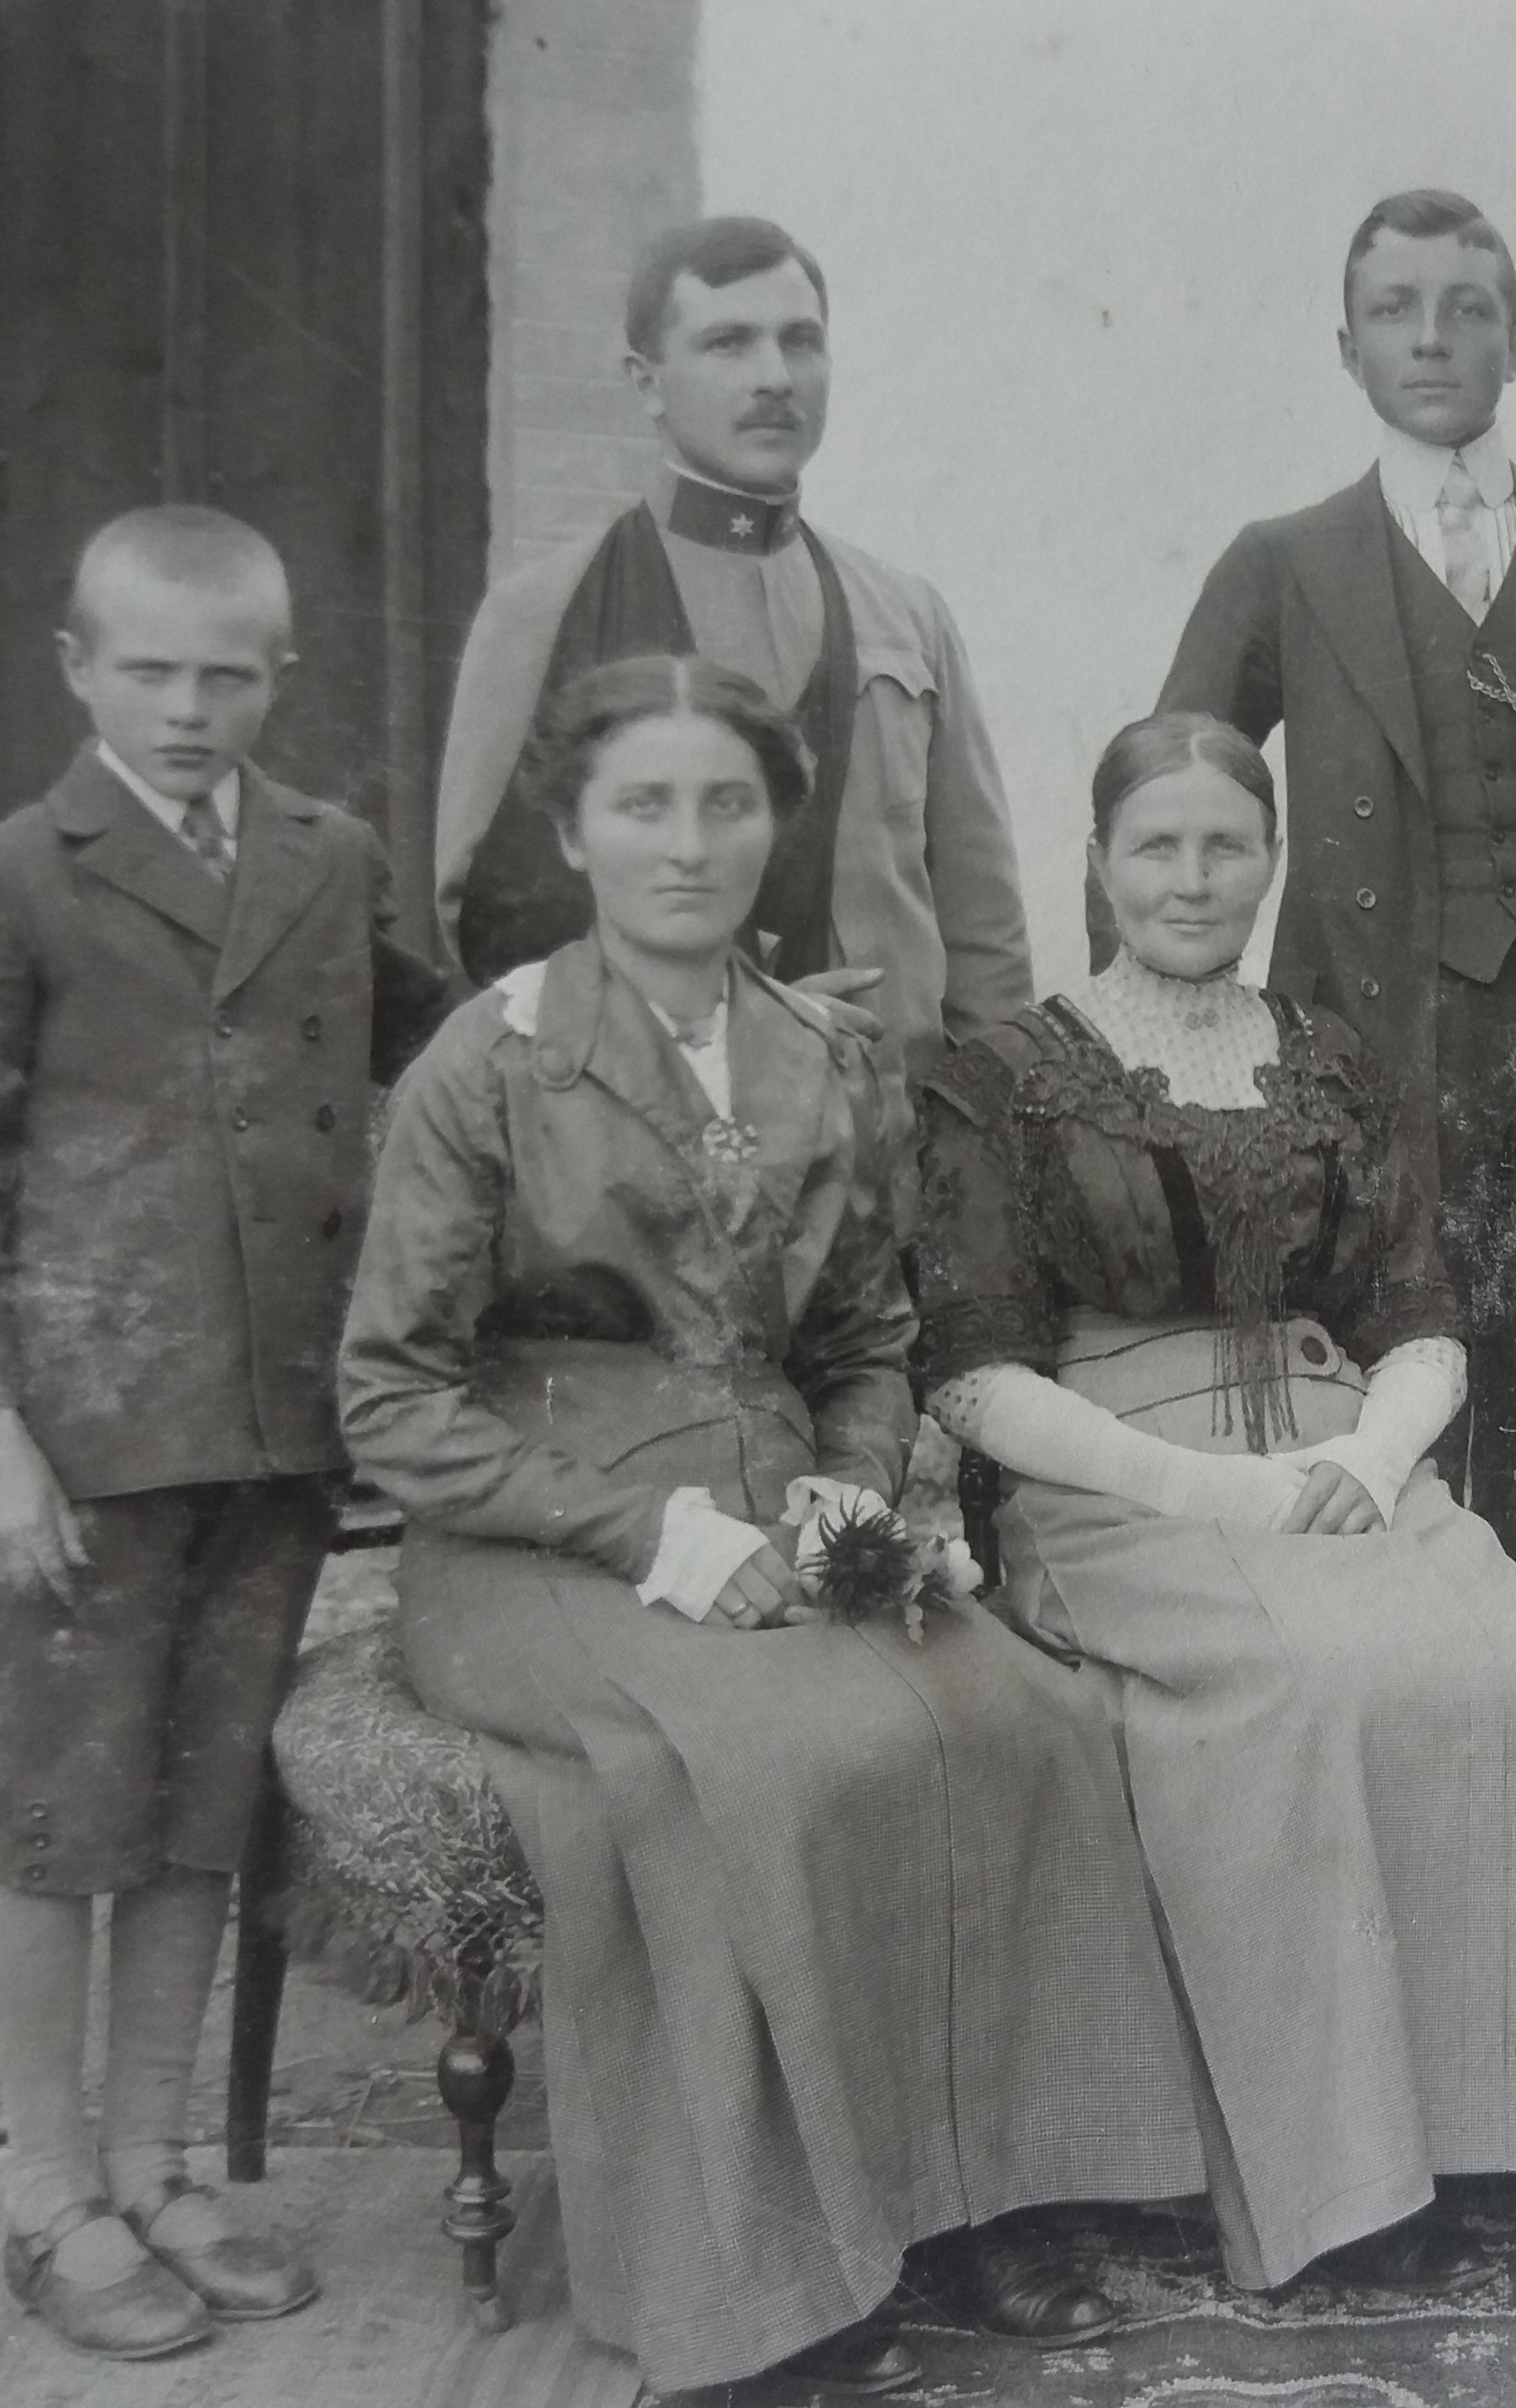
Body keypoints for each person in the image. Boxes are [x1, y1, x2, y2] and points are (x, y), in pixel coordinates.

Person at [341, 657, 1208, 2401]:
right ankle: (765, 2271)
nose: (687, 843)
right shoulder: (489, 1059)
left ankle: (993, 2194)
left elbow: (866, 1344)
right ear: (571, 831)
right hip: (536, 1533)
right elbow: (391, 1399)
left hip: (773, 1497)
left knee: (1020, 1716)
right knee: (754, 1753)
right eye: (643, 805)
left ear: (775, 829)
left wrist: (851, 1477)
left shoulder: (825, 1054)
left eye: (725, 805)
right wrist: (644, 1536)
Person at [919, 711, 1516, 2297]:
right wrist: (1202, 1484)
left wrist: (1369, 1460)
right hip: (1110, 1473)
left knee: (1506, 1656)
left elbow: (1419, 1314)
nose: (1191, 878)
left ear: (1271, 861)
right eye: (1157, 845)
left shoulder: (1328, 1059)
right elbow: (972, 1372)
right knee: (1297, 1688)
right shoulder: (1001, 1076)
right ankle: (1347, 2173)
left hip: (1334, 1447)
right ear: (1098, 864)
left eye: (1226, 845)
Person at [0, 505, 452, 2360]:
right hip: (86, 1439)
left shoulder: (328, 856)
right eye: (150, 671)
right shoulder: (5, 882)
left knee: (204, 1808)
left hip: (274, 1427)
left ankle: (152, 2164)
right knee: (65, 1807)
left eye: (227, 675)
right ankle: (46, 2191)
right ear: (78, 669)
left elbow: (443, 1046)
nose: (189, 708)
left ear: (279, 676)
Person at [1136, 188, 1516, 1615]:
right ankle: (1383, 1679)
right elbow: (1163, 803)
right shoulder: (1284, 563)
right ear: (1347, 349)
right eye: (1395, 310)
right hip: (1361, 1061)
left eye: (1467, 309)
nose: (1432, 337)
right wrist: (1165, 1049)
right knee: (1367, 1394)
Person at [435, 215, 1030, 1093]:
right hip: (639, 1127)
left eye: (800, 341)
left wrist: (988, 1129)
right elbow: (483, 922)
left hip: (894, 1130)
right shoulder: (545, 610)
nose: (775, 378)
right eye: (728, 343)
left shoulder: (906, 614)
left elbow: (984, 928)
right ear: (647, 383)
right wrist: (728, 1029)